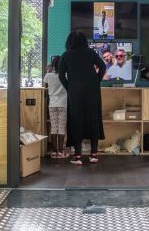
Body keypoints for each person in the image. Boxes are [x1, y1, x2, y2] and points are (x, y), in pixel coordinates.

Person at [58, 31, 106, 165]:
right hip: (92, 90)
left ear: (69, 41)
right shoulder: (90, 52)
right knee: (93, 117)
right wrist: (97, 80)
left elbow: (61, 76)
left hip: (75, 91)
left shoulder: (66, 55)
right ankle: (94, 154)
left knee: (76, 120)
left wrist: (69, 87)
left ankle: (78, 156)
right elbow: (102, 67)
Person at [43, 56, 69, 159]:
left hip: (52, 104)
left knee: (54, 127)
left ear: (52, 65)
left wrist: (49, 70)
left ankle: (54, 152)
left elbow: (44, 87)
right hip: (63, 103)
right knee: (61, 127)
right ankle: (61, 152)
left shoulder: (48, 75)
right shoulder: (65, 75)